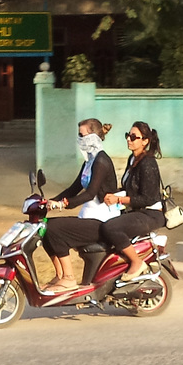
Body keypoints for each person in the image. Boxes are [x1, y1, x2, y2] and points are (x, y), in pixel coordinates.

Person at [41, 118, 118, 292]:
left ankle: (69, 278)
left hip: (102, 221)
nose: (79, 139)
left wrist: (62, 205)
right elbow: (74, 188)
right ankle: (59, 275)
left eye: (82, 135)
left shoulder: (101, 161)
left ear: (92, 137)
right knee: (43, 228)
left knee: (54, 228)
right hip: (88, 217)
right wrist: (48, 202)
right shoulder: (89, 162)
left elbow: (90, 193)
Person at [100, 121, 166, 282]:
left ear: (145, 141)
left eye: (134, 137)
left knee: (111, 228)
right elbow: (130, 189)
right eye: (128, 136)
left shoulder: (148, 163)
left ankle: (137, 262)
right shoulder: (133, 159)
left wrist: (119, 199)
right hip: (137, 211)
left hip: (150, 214)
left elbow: (148, 198)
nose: (129, 139)